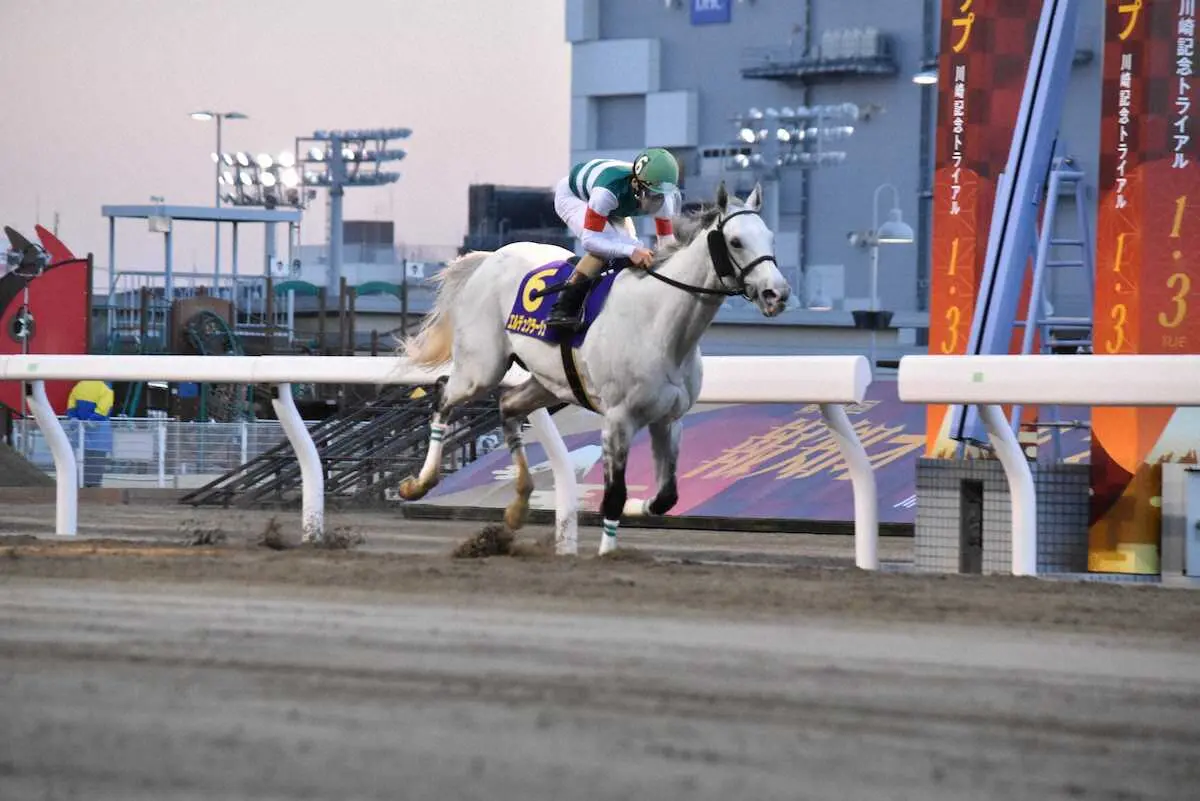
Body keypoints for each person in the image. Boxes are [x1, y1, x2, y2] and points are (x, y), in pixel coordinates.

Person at [546, 147, 682, 330]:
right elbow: (590, 240)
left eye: (660, 195)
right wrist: (631, 251)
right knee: (609, 248)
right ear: (636, 184)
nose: (656, 201)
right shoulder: (607, 192)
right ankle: (564, 307)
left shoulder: (665, 198)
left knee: (634, 247)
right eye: (651, 194)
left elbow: (667, 243)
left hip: (614, 205)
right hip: (575, 197)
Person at [66, 379, 114, 488]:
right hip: (100, 433)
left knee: (78, 462)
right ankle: (93, 490)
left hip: (78, 433)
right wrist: (92, 420)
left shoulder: (79, 386)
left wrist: (74, 418)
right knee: (96, 464)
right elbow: (104, 408)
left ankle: (78, 488)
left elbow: (71, 405)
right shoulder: (105, 388)